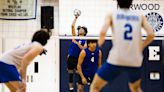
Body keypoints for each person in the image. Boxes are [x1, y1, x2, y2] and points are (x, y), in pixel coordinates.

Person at [90, 0, 154, 92]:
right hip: (134, 59)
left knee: (95, 87)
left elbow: (103, 31)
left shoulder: (112, 14)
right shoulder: (140, 16)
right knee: (135, 88)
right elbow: (151, 34)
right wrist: (141, 47)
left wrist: (100, 42)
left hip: (116, 58)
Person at [67, 13, 88, 92]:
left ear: (85, 32)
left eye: (82, 29)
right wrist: (76, 18)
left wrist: (76, 42)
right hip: (71, 57)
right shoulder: (75, 35)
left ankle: (80, 89)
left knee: (79, 74)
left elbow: (83, 48)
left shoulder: (86, 39)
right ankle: (71, 90)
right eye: (79, 29)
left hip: (79, 59)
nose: (80, 30)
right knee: (70, 75)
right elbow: (72, 26)